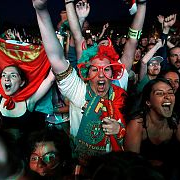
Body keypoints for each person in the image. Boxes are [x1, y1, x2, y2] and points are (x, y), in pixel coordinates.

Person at [32, 0, 147, 167]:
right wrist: (41, 10)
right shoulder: (77, 89)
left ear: (113, 73)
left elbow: (132, 42)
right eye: (94, 70)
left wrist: (142, 6)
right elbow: (58, 54)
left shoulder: (119, 85)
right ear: (86, 73)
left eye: (106, 69)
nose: (101, 75)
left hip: (115, 167)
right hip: (82, 165)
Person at [124, 78, 180, 178]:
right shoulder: (138, 123)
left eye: (170, 92)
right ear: (148, 102)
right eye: (160, 93)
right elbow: (131, 165)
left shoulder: (174, 121)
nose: (167, 97)